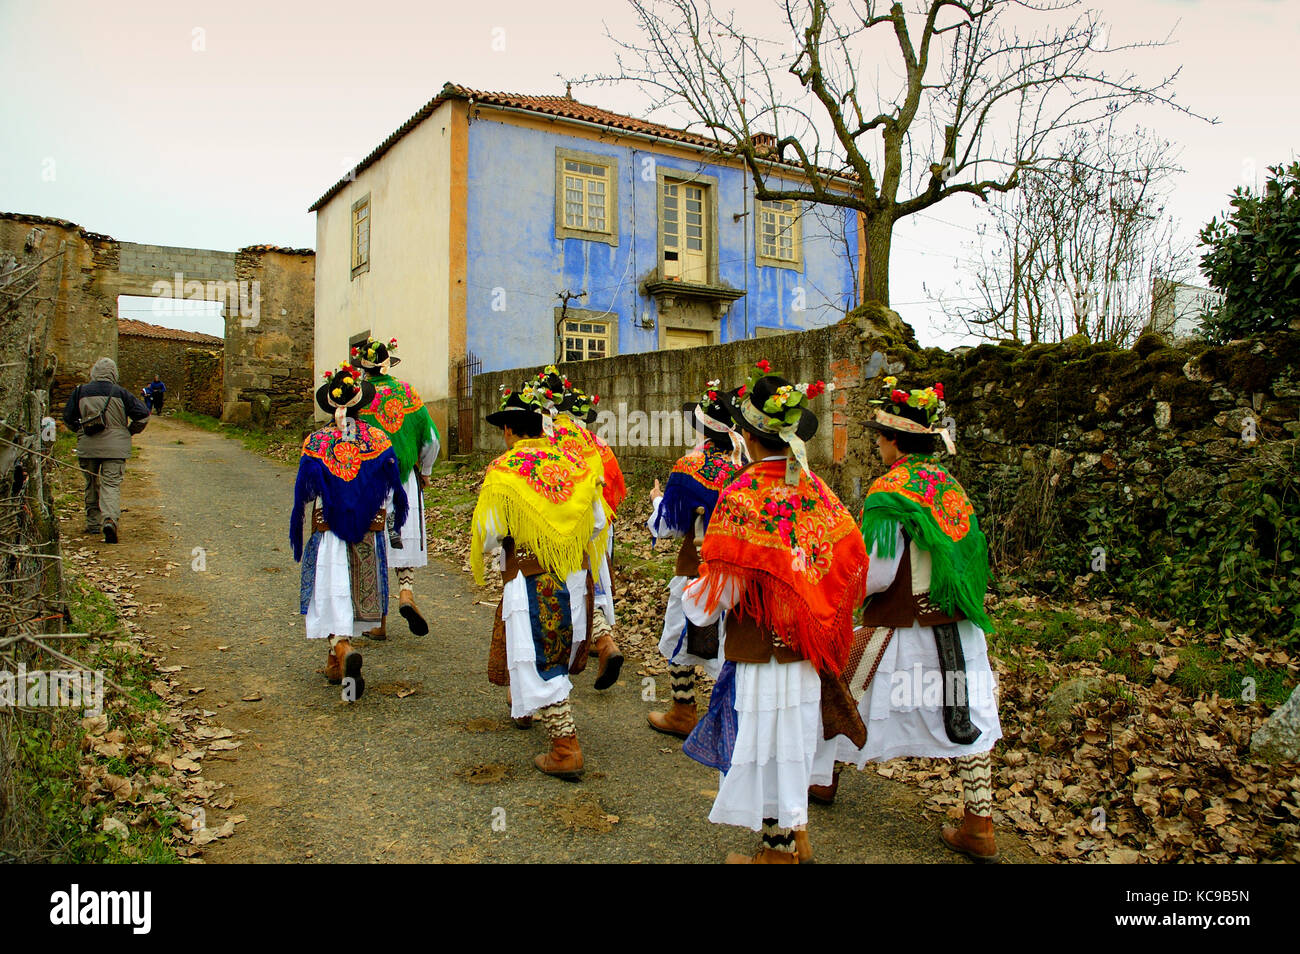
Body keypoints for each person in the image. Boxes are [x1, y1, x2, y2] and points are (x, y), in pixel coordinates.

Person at [680, 362, 866, 863]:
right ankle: (795, 834)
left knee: (763, 748)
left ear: (746, 436)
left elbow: (718, 594)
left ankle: (777, 853)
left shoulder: (742, 497)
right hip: (807, 653)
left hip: (760, 655)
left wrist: (689, 601)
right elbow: (848, 558)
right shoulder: (819, 494)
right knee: (793, 745)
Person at [826, 378, 1003, 862]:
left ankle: (822, 779)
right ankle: (980, 824)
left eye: (880, 437)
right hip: (957, 627)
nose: (877, 445)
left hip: (902, 627)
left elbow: (878, 574)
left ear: (897, 441)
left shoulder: (889, 492)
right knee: (967, 719)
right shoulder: (950, 487)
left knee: (842, 691)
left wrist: (841, 598)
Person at [471, 382, 608, 778]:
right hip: (575, 575)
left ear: (511, 430)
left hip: (532, 576)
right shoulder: (576, 466)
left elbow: (491, 533)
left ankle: (565, 747)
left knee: (540, 659)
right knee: (557, 657)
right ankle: (545, 725)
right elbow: (597, 522)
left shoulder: (504, 471)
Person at [290, 362, 408, 701]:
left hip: (329, 530)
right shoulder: (378, 439)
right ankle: (340, 665)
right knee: (355, 594)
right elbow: (391, 485)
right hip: (367, 530)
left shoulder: (316, 442)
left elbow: (307, 492)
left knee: (331, 592)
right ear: (360, 403)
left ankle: (341, 651)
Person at [644, 380, 745, 737]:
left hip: (695, 567)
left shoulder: (689, 468)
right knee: (729, 644)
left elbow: (668, 527)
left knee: (678, 637)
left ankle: (683, 710)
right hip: (738, 573)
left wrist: (657, 500)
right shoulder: (746, 468)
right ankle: (732, 718)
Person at [535, 370, 625, 691]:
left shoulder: (545, 439)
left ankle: (542, 683)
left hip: (558, 531)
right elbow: (616, 484)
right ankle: (604, 643)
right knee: (592, 587)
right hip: (596, 527)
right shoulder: (595, 442)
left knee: (550, 597)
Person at [353, 336, 442, 639]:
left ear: (363, 367)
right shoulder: (406, 393)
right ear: (388, 363)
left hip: (367, 480)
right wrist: (426, 470)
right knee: (400, 537)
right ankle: (406, 593)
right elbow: (431, 438)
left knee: (372, 542)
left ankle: (377, 621)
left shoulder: (357, 396)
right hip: (404, 478)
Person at [61, 357, 151, 543]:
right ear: (114, 374)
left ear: (93, 373)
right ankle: (109, 519)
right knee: (111, 485)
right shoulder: (121, 393)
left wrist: (80, 433)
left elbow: (68, 418)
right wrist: (127, 432)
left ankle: (93, 524)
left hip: (88, 447)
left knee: (91, 484)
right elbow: (143, 415)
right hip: (115, 449)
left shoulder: (80, 392)